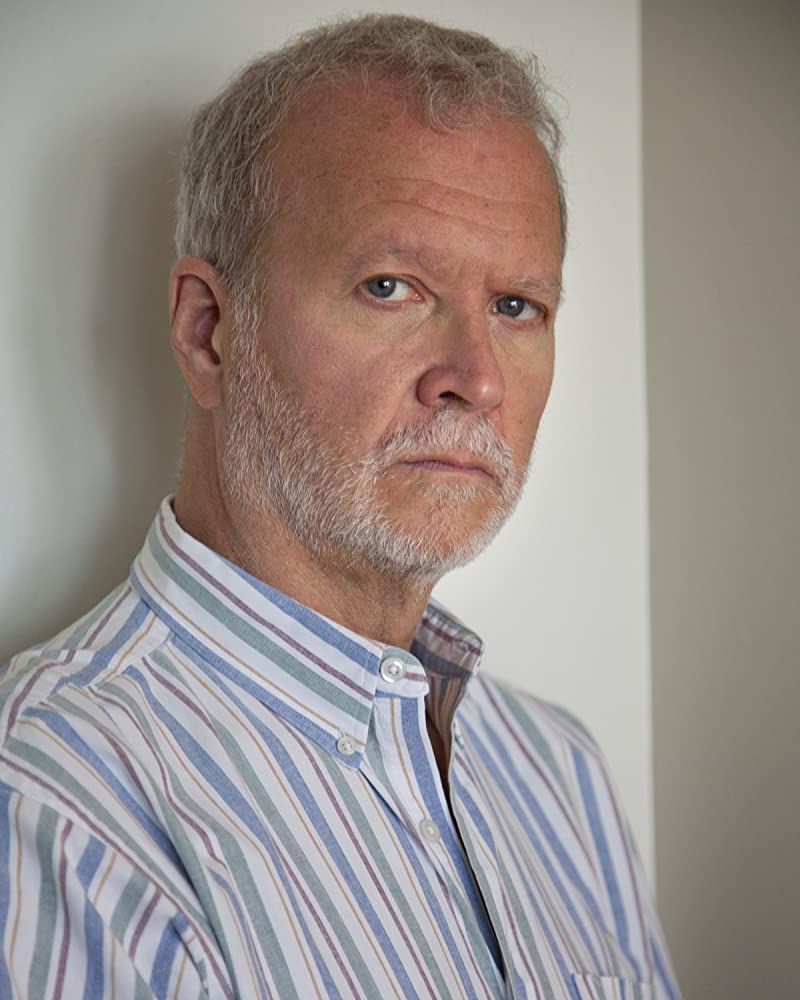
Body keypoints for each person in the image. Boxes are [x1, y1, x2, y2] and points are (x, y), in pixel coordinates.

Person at [0, 14, 681, 1000]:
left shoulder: (560, 777)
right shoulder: (55, 811)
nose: (476, 379)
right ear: (208, 331)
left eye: (515, 306)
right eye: (391, 286)